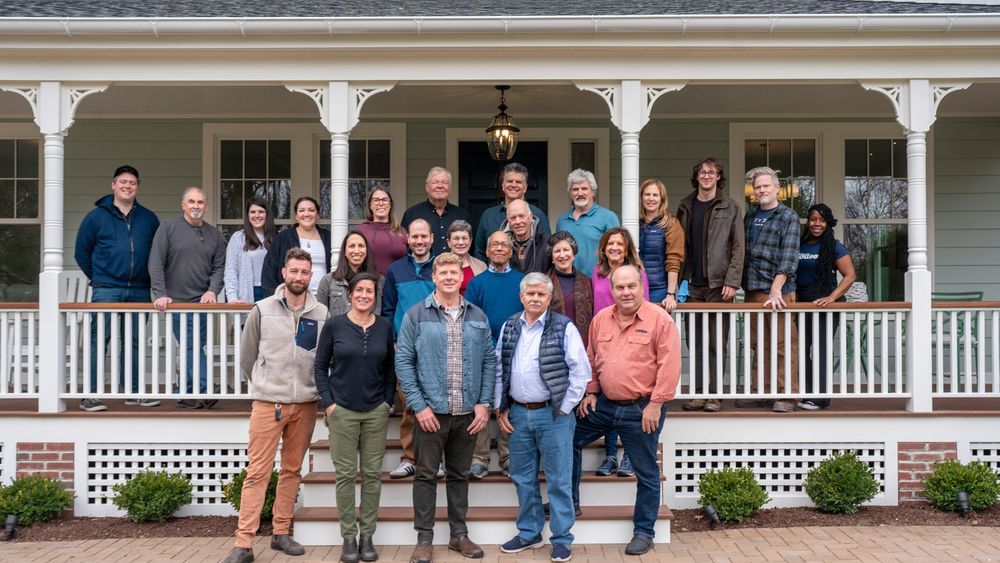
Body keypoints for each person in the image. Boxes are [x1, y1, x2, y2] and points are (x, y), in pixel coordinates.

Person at [222, 248, 328, 563]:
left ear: (311, 276)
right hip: (269, 403)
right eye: (293, 271)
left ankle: (281, 533)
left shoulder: (321, 314)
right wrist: (264, 381)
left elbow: (324, 358)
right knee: (258, 472)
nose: (298, 277)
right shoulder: (262, 309)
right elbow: (246, 356)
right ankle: (243, 544)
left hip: (306, 404)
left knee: (292, 470)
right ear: (284, 273)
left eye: (304, 272)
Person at [572, 265, 681, 556]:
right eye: (619, 287)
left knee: (646, 472)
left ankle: (644, 532)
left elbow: (669, 367)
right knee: (567, 437)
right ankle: (570, 502)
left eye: (631, 286)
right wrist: (591, 392)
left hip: (642, 407)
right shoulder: (600, 320)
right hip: (605, 405)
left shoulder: (660, 320)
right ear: (612, 289)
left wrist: (656, 404)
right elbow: (591, 359)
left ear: (641, 287)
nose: (626, 292)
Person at [395, 252, 495, 563]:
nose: (450, 277)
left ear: (461, 277)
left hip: (467, 413)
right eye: (444, 273)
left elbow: (490, 361)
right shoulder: (416, 315)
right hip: (430, 414)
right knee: (425, 475)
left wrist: (484, 403)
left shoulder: (477, 315)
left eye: (454, 272)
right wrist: (419, 406)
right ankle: (424, 539)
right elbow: (403, 361)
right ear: (434, 277)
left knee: (459, 475)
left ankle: (458, 535)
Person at [494, 273, 591, 563]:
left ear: (550, 298)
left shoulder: (564, 326)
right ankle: (529, 533)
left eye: (541, 294)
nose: (535, 298)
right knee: (523, 477)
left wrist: (565, 407)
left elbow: (580, 371)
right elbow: (500, 368)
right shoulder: (510, 326)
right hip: (520, 414)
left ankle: (561, 539)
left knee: (559, 480)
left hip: (554, 415)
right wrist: (502, 407)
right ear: (522, 296)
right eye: (530, 294)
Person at [314, 272, 395, 563]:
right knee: (346, 476)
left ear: (375, 296)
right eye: (359, 290)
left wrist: (387, 402)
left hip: (375, 411)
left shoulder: (384, 327)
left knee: (372, 476)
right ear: (350, 294)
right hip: (343, 411)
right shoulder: (335, 326)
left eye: (369, 291)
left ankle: (367, 535)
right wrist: (329, 404)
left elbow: (389, 370)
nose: (364, 295)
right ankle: (348, 537)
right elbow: (320, 367)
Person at [74, 164, 161, 412]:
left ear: (137, 187)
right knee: (99, 340)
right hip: (106, 289)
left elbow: (156, 254)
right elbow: (81, 251)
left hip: (139, 290)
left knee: (133, 341)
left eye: (132, 183)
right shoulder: (96, 217)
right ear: (114, 185)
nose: (127, 186)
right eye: (123, 182)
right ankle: (91, 394)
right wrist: (99, 277)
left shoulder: (148, 218)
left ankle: (133, 392)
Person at [677, 158, 745, 414]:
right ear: (696, 176)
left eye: (711, 172)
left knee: (717, 342)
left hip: (719, 286)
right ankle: (698, 393)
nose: (706, 176)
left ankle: (714, 396)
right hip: (692, 285)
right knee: (695, 342)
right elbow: (678, 245)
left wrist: (732, 281)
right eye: (702, 172)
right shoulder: (685, 205)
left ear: (719, 176)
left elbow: (738, 246)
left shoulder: (731, 206)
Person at [149, 186, 226, 409]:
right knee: (192, 344)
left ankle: (184, 392)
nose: (196, 206)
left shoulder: (214, 235)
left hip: (202, 303)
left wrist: (212, 290)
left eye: (200, 202)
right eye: (191, 202)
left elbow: (219, 267)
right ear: (183, 205)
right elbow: (155, 262)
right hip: (176, 302)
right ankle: (203, 388)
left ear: (206, 206)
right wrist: (161, 294)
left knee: (194, 345)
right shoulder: (168, 228)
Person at [465, 230, 525, 479]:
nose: (499, 248)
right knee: (482, 402)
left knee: (508, 403)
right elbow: (470, 319)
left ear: (511, 251)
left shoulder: (522, 281)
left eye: (504, 245)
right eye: (494, 245)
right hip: (484, 350)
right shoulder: (477, 283)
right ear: (487, 251)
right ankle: (479, 458)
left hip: (516, 349)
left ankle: (507, 455)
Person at [589, 227, 649, 478]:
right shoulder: (597, 273)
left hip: (630, 338)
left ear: (627, 249)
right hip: (605, 337)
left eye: (619, 244)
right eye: (610, 244)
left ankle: (628, 457)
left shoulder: (638, 273)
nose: (614, 248)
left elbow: (642, 306)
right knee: (608, 399)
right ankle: (610, 454)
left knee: (626, 399)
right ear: (603, 248)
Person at [742, 166, 801, 413]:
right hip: (754, 288)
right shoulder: (750, 216)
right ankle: (763, 391)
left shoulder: (788, 217)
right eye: (758, 187)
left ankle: (787, 393)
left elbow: (788, 256)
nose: (762, 190)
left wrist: (777, 288)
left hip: (779, 289)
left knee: (783, 343)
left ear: (777, 188)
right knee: (759, 343)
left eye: (766, 186)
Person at [382, 218, 437, 480]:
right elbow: (389, 308)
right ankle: (410, 458)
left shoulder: (441, 268)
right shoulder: (396, 270)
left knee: (438, 405)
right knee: (409, 406)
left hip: (436, 346)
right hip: (406, 347)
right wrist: (393, 339)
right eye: (414, 237)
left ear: (431, 238)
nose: (419, 241)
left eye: (423, 236)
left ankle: (435, 460)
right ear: (408, 240)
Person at [797, 204, 856, 410]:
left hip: (824, 305)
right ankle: (807, 393)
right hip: (801, 304)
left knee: (820, 350)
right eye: (813, 219)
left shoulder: (834, 246)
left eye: (821, 220)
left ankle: (821, 398)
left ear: (828, 223)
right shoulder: (800, 244)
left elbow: (850, 276)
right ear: (808, 220)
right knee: (801, 350)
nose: (817, 224)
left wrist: (831, 297)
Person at [473, 162, 550, 261]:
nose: (513, 185)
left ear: (525, 187)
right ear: (503, 186)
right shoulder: (488, 216)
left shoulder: (538, 215)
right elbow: (480, 252)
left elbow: (548, 250)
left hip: (530, 275)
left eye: (518, 182)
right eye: (510, 181)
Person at [555, 169, 620, 278]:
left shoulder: (608, 217)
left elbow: (618, 251)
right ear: (570, 193)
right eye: (575, 189)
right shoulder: (562, 221)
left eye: (584, 188)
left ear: (593, 192)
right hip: (568, 281)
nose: (580, 193)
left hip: (598, 280)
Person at [261, 196, 331, 296]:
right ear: (296, 216)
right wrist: (275, 298)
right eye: (302, 210)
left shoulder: (329, 237)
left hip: (324, 298)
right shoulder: (283, 237)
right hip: (292, 298)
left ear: (317, 215)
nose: (306, 214)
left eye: (311, 210)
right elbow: (269, 270)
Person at [401, 166, 471, 256]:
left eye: (444, 182)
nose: (440, 186)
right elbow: (404, 247)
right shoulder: (412, 214)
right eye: (435, 182)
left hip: (455, 269)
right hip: (422, 269)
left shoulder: (462, 215)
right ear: (427, 187)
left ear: (450, 188)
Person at [638, 179, 685, 309]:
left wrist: (670, 294)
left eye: (655, 195)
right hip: (634, 288)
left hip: (658, 290)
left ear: (662, 199)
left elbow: (673, 261)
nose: (650, 198)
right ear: (641, 197)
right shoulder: (633, 222)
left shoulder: (670, 224)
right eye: (647, 194)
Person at [317, 230, 385, 316]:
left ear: (367, 250)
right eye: (352, 246)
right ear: (344, 251)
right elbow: (320, 316)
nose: (356, 251)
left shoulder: (379, 281)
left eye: (361, 246)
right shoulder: (328, 281)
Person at [224, 197, 277, 304]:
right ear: (248, 215)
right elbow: (230, 271)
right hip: (246, 293)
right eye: (253, 212)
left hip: (272, 293)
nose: (257, 215)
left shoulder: (277, 237)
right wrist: (232, 298)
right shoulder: (238, 238)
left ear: (267, 214)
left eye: (261, 211)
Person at [547, 232, 594, 347]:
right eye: (557, 251)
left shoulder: (586, 281)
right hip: (553, 346)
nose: (562, 255)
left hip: (582, 344)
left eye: (566, 250)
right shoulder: (544, 282)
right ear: (552, 257)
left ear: (573, 254)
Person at [355, 186, 408, 276]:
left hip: (397, 285)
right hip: (369, 286)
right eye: (376, 200)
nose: (380, 203)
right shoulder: (361, 231)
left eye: (385, 200)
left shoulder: (401, 232)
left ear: (390, 205)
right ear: (370, 205)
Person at [504, 199, 550, 274]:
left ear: (531, 217)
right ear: (508, 221)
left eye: (521, 216)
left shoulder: (547, 242)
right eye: (513, 217)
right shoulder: (502, 246)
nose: (518, 222)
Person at [445, 220, 487, 295]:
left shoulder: (481, 266)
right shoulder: (440, 265)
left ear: (470, 241)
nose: (461, 243)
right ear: (449, 242)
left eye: (464, 238)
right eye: (456, 238)